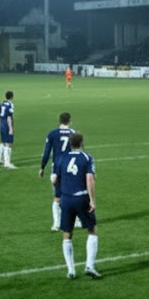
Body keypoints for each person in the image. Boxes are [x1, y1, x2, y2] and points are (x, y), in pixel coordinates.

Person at [59, 131, 101, 279]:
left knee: (67, 233)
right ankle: (89, 265)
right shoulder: (87, 157)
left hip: (66, 199)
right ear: (82, 142)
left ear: (71, 144)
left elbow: (55, 179)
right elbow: (90, 179)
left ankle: (70, 270)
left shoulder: (62, 158)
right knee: (92, 230)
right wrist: (92, 200)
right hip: (81, 198)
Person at [41, 112, 75, 231]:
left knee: (57, 196)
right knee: (72, 194)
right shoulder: (73, 133)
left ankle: (56, 223)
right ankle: (76, 220)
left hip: (57, 168)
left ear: (59, 121)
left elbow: (46, 153)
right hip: (71, 168)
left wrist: (42, 167)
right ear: (70, 121)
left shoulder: (52, 134)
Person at [0, 91, 16, 168]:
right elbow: (9, 117)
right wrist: (11, 128)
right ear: (12, 97)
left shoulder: (2, 104)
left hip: (2, 124)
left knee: (3, 142)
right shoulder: (10, 105)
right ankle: (7, 163)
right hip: (7, 125)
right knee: (9, 144)